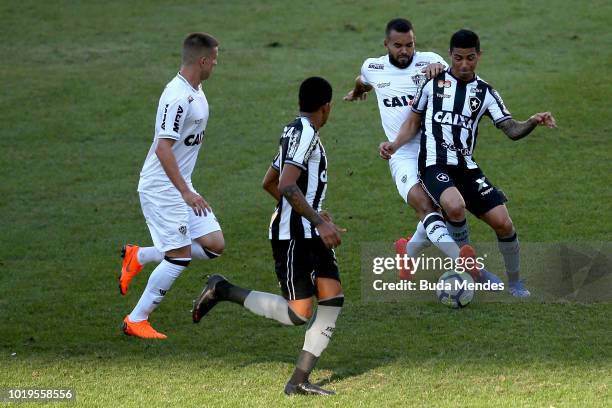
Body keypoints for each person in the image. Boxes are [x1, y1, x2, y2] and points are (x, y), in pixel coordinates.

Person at [191, 77, 345, 396]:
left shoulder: (295, 129)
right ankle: (222, 289)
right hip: (293, 238)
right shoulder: (304, 135)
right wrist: (318, 220)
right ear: (326, 107)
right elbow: (286, 184)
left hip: (308, 232)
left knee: (332, 299)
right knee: (297, 314)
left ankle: (298, 381)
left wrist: (315, 214)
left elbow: (269, 182)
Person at [380, 29, 557, 297]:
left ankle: (516, 282)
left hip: (467, 167)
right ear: (450, 55)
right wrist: (395, 144)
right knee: (453, 205)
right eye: (459, 58)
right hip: (433, 164)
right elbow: (413, 121)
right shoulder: (432, 83)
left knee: (504, 223)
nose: (464, 64)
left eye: (470, 58)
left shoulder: (485, 92)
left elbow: (510, 129)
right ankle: (471, 267)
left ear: (479, 56)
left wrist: (532, 121)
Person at [344, 18, 496, 282]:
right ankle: (470, 266)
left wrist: (440, 68)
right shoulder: (374, 66)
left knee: (446, 209)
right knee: (428, 208)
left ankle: (408, 252)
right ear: (386, 44)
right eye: (398, 45)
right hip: (401, 154)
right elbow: (364, 79)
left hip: (436, 151)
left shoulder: (430, 61)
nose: (405, 51)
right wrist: (357, 90)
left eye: (410, 45)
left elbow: (459, 76)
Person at [119, 32, 225, 339]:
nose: (215, 65)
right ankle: (136, 319)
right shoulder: (176, 97)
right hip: (162, 188)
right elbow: (163, 148)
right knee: (178, 256)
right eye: (214, 60)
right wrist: (185, 192)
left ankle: (138, 256)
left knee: (214, 246)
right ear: (202, 60)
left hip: (180, 183)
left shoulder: (196, 89)